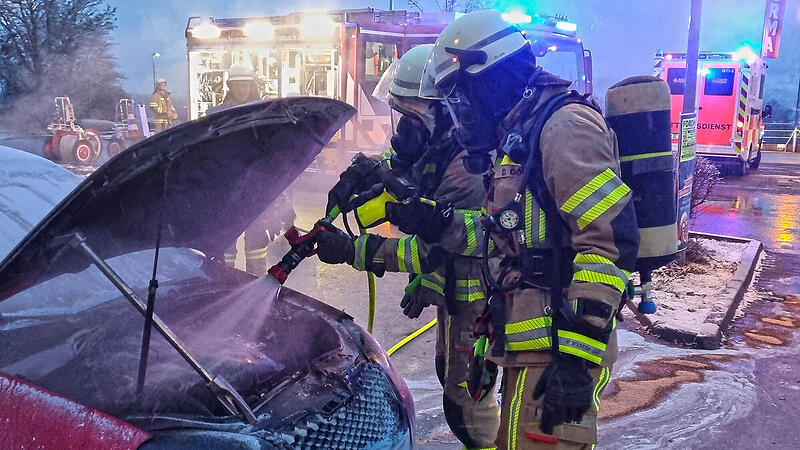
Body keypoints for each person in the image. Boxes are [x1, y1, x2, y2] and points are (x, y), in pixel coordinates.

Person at [418, 10, 640, 449]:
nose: (459, 111)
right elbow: (507, 240)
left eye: (461, 96)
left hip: (559, 350)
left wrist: (577, 360)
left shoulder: (563, 126)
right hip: (532, 348)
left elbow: (609, 241)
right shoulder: (518, 137)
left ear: (491, 77)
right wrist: (435, 223)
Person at [314, 45, 500, 449]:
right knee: (448, 375)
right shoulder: (440, 147)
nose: (401, 130)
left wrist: (353, 250)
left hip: (478, 298)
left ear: (443, 113)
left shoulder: (466, 167)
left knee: (468, 404)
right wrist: (364, 173)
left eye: (409, 117)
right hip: (456, 294)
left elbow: (430, 249)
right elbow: (403, 165)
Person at [209, 63, 296, 276]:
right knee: (225, 247)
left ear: (251, 85)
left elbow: (273, 154)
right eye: (238, 84)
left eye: (245, 84)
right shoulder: (217, 115)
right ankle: (223, 284)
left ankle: (251, 285)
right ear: (230, 86)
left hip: (256, 189)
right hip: (227, 190)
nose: (242, 89)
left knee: (256, 245)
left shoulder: (264, 112)